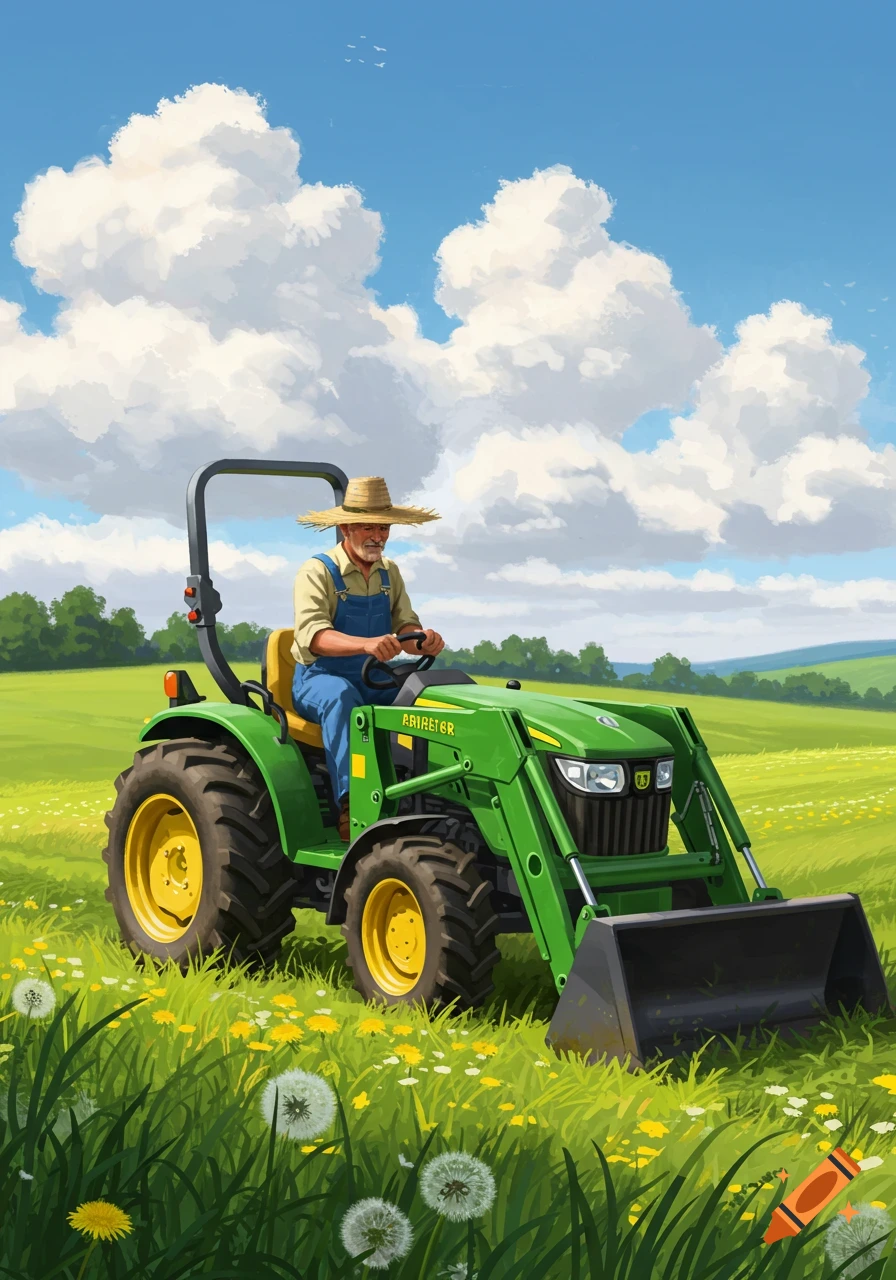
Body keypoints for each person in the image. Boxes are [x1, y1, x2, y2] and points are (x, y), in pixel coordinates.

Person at [291, 476, 445, 840]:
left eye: (383, 526)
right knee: (342, 700)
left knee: (426, 693)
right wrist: (366, 644)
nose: (378, 535)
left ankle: (429, 791)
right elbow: (314, 636)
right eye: (367, 527)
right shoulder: (317, 571)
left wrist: (422, 641)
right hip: (319, 677)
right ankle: (352, 805)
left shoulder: (389, 573)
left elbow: (406, 627)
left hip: (372, 674)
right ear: (345, 527)